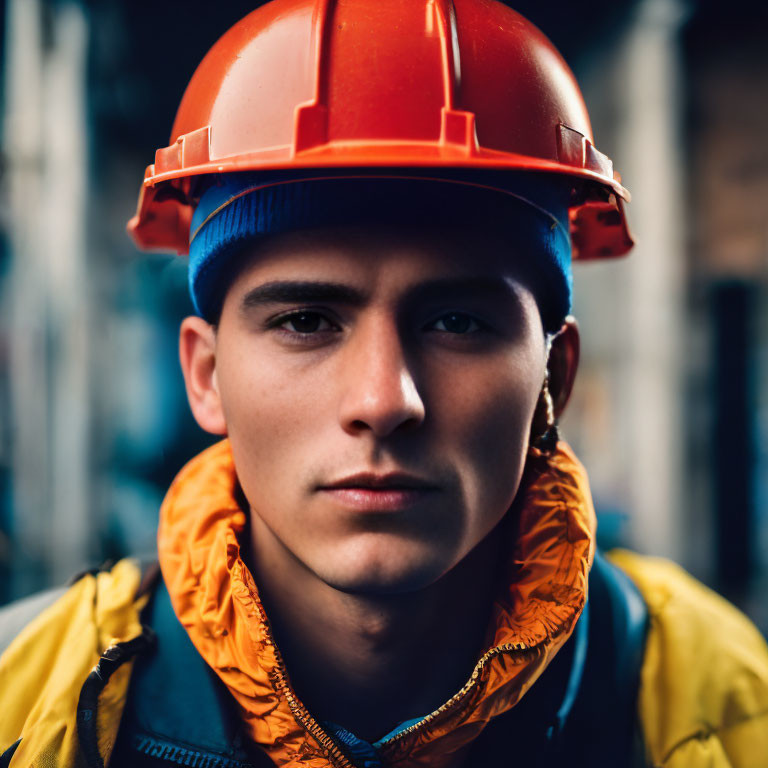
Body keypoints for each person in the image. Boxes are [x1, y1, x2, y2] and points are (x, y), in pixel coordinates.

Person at [1, 1, 767, 766]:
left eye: (457, 322)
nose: (384, 401)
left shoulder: (728, 704)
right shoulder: (24, 702)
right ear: (206, 376)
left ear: (553, 378)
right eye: (306, 321)